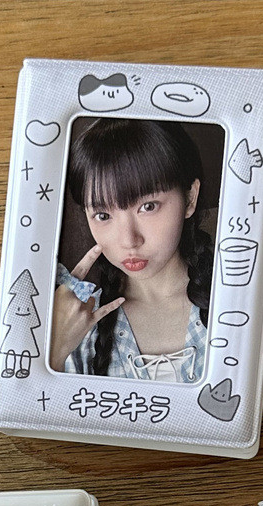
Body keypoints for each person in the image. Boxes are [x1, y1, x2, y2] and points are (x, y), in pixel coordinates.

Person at [51, 118, 214, 382]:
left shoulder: (234, 303)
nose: (129, 241)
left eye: (148, 207)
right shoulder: (76, 324)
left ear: (190, 198)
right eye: (103, 215)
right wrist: (55, 351)